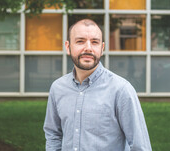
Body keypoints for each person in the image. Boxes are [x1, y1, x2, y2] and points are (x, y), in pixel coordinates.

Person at [43, 19, 152, 151]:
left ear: (102, 48)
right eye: (80, 41)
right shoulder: (57, 88)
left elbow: (140, 146)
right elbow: (53, 135)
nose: (88, 47)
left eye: (94, 42)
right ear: (68, 47)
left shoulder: (121, 90)